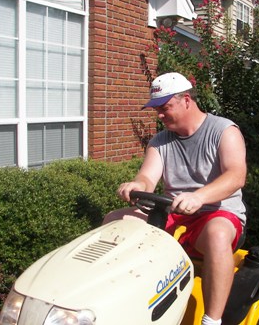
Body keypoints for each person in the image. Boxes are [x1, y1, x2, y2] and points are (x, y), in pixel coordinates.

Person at [104, 72, 247, 325]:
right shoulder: (160, 141)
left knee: (217, 234)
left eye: (165, 107)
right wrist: (137, 184)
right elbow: (147, 177)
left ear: (187, 100)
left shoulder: (224, 130)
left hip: (216, 214)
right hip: (173, 213)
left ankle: (212, 320)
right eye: (156, 109)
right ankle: (117, 302)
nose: (159, 115)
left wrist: (200, 197)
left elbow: (236, 176)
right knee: (116, 221)